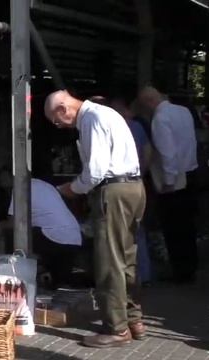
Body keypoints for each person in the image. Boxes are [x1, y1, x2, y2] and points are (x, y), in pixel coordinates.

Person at [44, 90, 146, 348]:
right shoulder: (107, 113)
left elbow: (96, 171)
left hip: (113, 192)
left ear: (63, 109)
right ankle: (134, 320)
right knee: (127, 258)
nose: (61, 126)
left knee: (109, 261)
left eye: (57, 121)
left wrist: (72, 188)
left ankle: (116, 328)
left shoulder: (90, 119)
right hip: (134, 187)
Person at [138, 86, 198, 283]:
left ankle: (180, 272)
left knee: (174, 228)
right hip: (191, 172)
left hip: (174, 180)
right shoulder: (184, 111)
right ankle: (190, 268)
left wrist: (169, 182)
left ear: (148, 102)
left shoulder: (160, 118)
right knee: (188, 226)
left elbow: (167, 152)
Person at [6, 178, 82, 286]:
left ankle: (16, 277)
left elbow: (14, 222)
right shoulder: (44, 185)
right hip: (74, 237)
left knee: (11, 234)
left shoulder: (20, 187)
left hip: (54, 237)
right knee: (58, 283)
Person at [111, 98, 153, 285]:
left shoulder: (113, 128)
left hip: (118, 183)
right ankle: (143, 274)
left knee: (120, 233)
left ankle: (126, 278)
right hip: (137, 182)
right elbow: (148, 151)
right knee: (138, 230)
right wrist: (141, 172)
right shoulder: (137, 127)